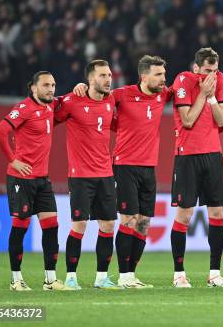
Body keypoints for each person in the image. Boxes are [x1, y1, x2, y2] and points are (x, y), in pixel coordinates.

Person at [73, 55, 172, 288]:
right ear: (144, 76)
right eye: (158, 75)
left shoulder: (163, 94)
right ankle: (123, 275)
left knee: (144, 223)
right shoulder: (122, 94)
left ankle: (131, 274)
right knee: (128, 220)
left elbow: (185, 89)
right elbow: (95, 97)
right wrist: (82, 87)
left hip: (150, 167)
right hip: (125, 165)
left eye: (164, 75)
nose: (163, 80)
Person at [0, 71, 69, 291]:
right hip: (21, 179)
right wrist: (13, 160)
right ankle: (16, 280)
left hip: (43, 180)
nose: (51, 89)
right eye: (46, 85)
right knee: (20, 227)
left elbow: (65, 100)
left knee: (52, 226)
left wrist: (81, 86)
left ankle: (50, 280)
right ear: (33, 88)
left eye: (53, 85)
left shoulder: (50, 106)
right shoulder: (24, 108)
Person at [170, 47, 223, 288]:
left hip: (213, 154)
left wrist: (213, 96)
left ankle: (215, 274)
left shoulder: (218, 81)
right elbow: (187, 121)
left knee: (217, 215)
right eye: (207, 70)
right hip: (188, 156)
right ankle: (179, 274)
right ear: (196, 67)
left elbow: (222, 120)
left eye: (215, 70)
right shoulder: (183, 80)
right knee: (184, 215)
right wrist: (203, 95)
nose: (211, 75)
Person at [55, 60, 118, 290]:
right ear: (90, 79)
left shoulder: (111, 99)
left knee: (108, 224)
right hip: (80, 175)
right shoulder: (72, 101)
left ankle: (102, 278)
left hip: (105, 174)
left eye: (109, 74)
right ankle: (71, 277)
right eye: (102, 75)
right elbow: (50, 114)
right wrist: (69, 91)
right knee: (80, 224)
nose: (108, 79)